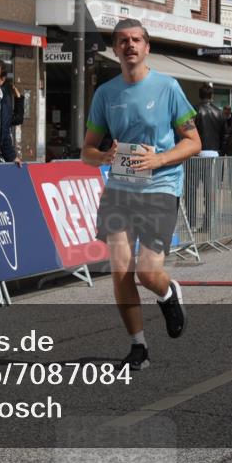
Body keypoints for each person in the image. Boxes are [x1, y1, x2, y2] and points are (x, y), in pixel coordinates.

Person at [81, 19, 201, 371]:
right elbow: (86, 151)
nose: (130, 45)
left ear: (147, 47)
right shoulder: (106, 93)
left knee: (147, 272)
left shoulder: (168, 87)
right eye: (122, 41)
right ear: (115, 49)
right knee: (120, 271)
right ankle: (138, 348)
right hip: (119, 189)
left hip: (160, 187)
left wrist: (158, 158)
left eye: (136, 39)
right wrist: (103, 156)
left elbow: (194, 142)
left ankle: (168, 293)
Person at [187, 84, 225, 232]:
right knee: (210, 192)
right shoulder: (219, 113)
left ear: (200, 95)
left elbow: (189, 132)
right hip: (213, 155)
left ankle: (191, 224)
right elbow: (224, 136)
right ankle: (208, 224)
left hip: (196, 155)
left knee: (191, 191)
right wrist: (220, 151)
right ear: (212, 96)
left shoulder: (194, 111)